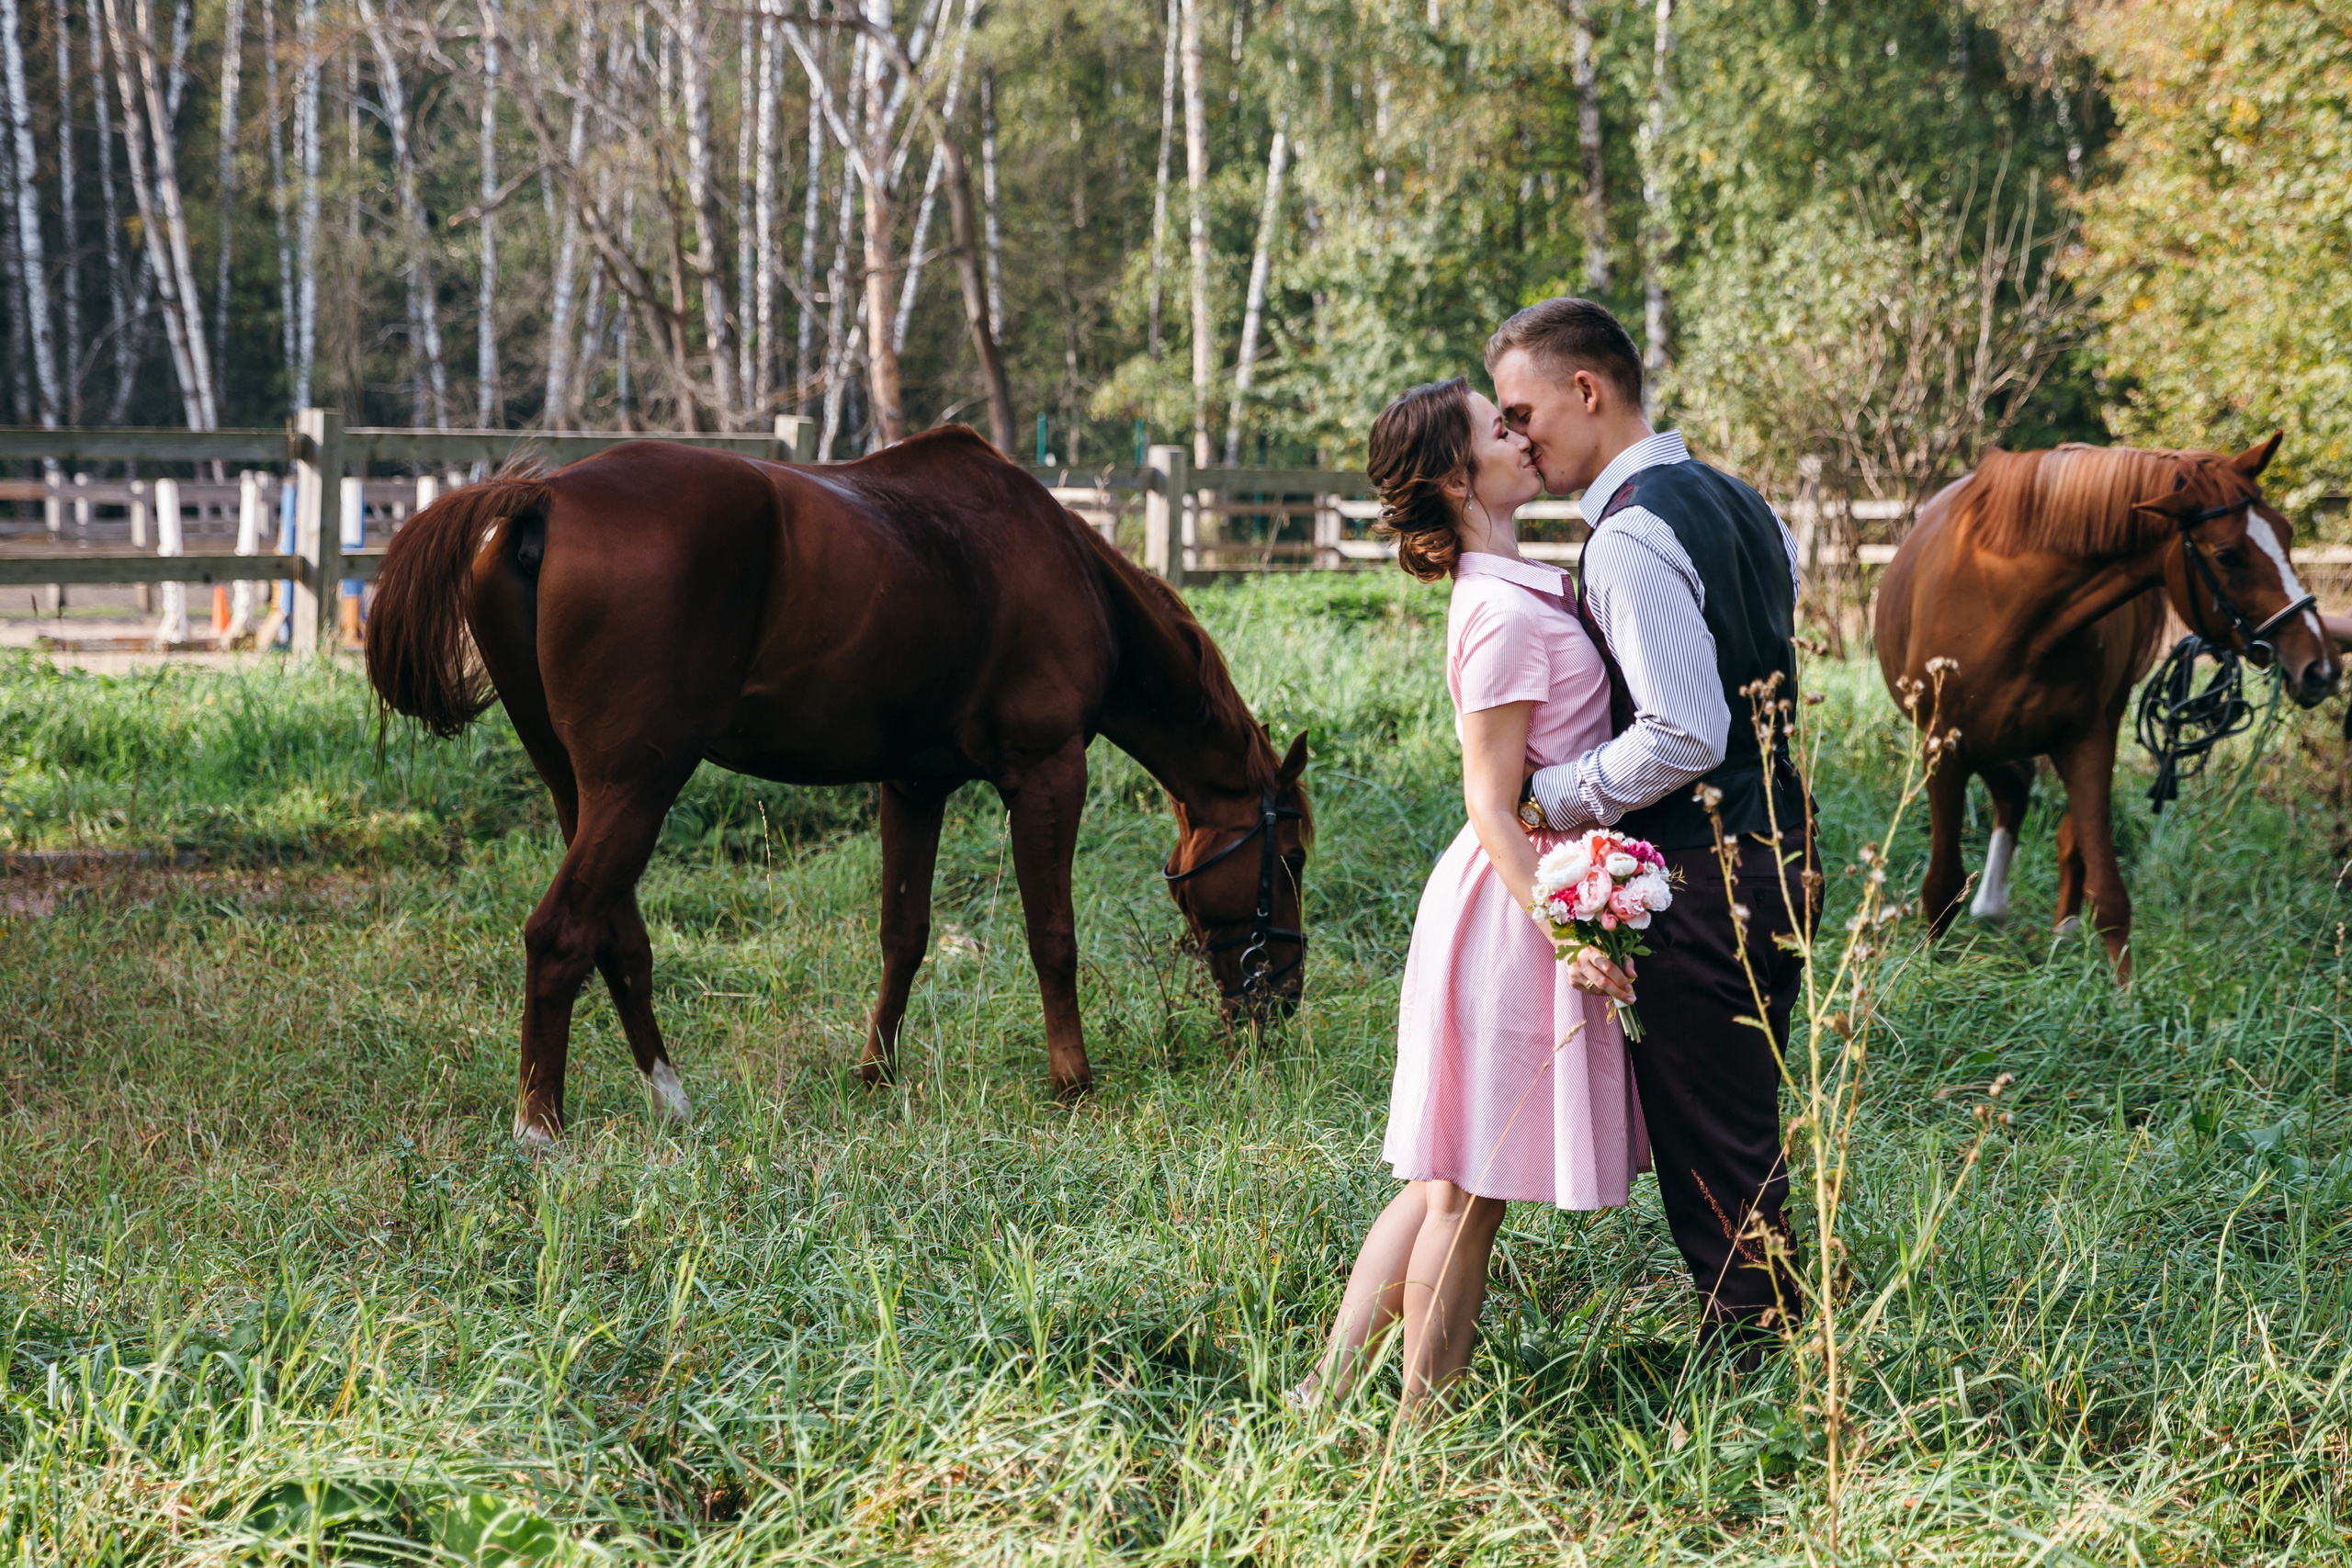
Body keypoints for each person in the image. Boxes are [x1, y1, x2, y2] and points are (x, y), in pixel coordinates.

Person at [1296, 374, 1649, 1413]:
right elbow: (1491, 803)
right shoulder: (1496, 611)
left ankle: (1324, 1391)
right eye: (1501, 428)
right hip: (1513, 907)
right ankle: (1422, 1426)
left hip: (1526, 892)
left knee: (1448, 1177)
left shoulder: (1522, 583)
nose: (1523, 436)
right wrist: (1569, 929)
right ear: (1457, 478)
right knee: (1468, 1188)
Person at [1492, 297, 1813, 1358]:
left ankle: (1754, 1358)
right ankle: (1770, 1328)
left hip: (1706, 865)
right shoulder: (1742, 502)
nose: (1517, 438)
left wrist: (1548, 795)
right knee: (1741, 1109)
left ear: (1586, 390)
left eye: (1522, 411)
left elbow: (1682, 732)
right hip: (1784, 842)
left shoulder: (1628, 537)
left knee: (1710, 1127)